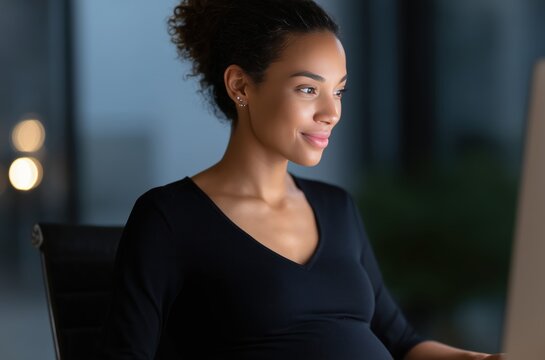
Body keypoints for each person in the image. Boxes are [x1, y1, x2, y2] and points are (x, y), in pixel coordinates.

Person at [99, 0, 504, 359]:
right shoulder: (170, 218)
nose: (332, 112)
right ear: (240, 86)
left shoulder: (337, 207)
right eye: (308, 89)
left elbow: (399, 340)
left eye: (339, 91)